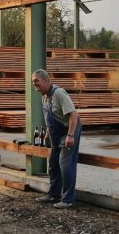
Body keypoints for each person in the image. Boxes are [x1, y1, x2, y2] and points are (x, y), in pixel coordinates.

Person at [31, 69, 82, 209]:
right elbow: (51, 116)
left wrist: (70, 135)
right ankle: (53, 194)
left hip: (69, 130)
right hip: (55, 133)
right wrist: (48, 131)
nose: (34, 84)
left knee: (65, 165)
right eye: (32, 82)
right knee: (53, 164)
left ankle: (68, 200)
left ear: (46, 80)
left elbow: (73, 115)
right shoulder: (44, 96)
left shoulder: (59, 93)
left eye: (36, 81)